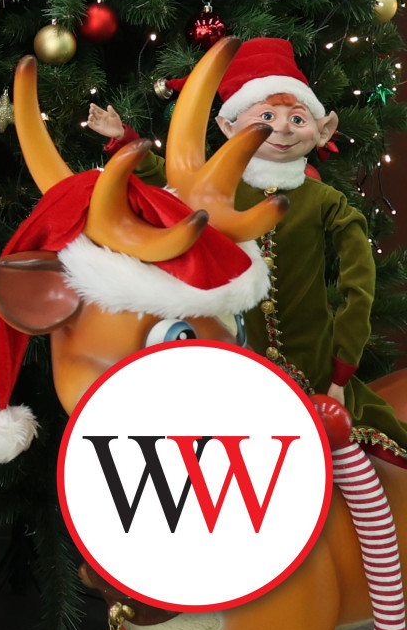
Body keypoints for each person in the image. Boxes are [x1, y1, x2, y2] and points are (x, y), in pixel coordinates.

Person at [86, 37, 407, 461]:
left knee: (349, 453)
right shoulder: (222, 191)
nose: (284, 128)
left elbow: (359, 282)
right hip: (237, 361)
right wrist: (124, 140)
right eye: (268, 116)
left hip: (312, 368)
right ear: (228, 127)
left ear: (323, 129)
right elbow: (170, 186)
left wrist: (342, 369)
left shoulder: (326, 202)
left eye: (297, 117)